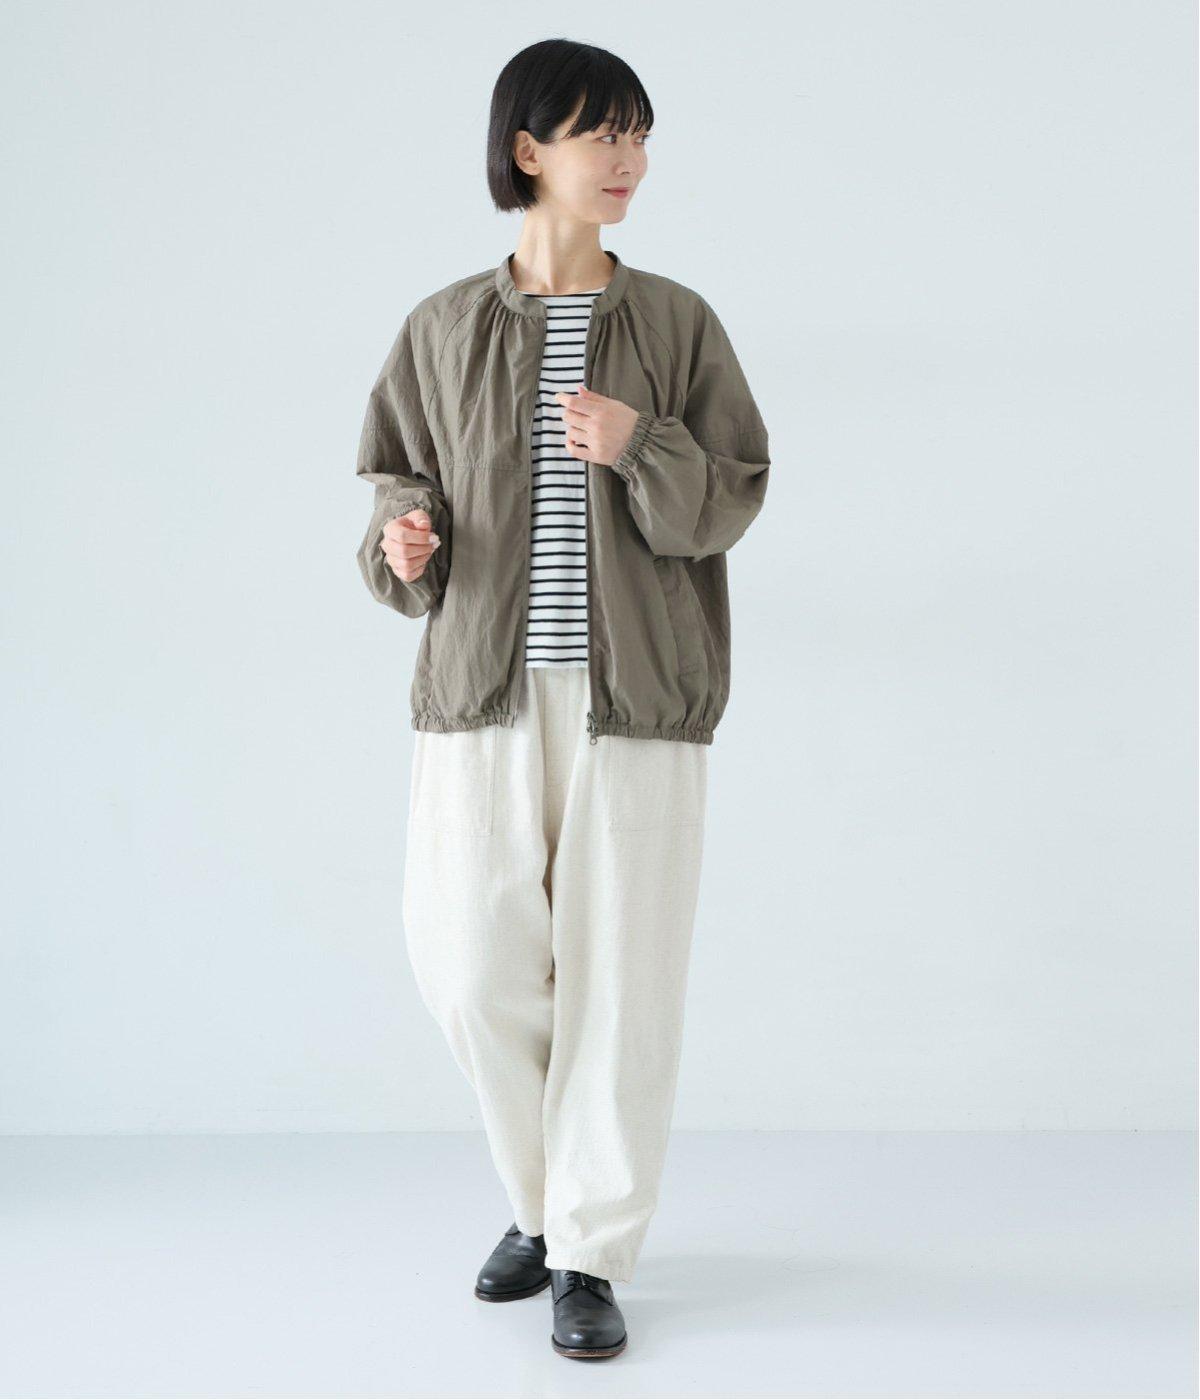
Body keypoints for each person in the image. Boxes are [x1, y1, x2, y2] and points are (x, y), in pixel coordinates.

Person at [354, 38, 770, 1361]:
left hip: (636, 697)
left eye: (639, 135)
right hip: (480, 695)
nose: (629, 159)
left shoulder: (678, 323)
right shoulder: (441, 328)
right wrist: (401, 548)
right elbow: (398, 491)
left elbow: (731, 495)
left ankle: (587, 1251)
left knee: (621, 983)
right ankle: (543, 1204)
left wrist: (638, 442)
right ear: (528, 149)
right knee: (469, 963)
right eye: (603, 132)